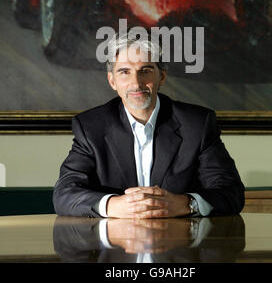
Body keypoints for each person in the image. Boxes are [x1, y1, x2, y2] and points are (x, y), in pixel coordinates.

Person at [53, 33, 245, 218]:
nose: (136, 83)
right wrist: (113, 205)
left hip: (181, 245)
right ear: (112, 81)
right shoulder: (91, 127)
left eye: (145, 71)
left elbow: (231, 193)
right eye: (124, 72)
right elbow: (64, 194)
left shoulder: (197, 124)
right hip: (114, 246)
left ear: (161, 76)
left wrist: (186, 204)